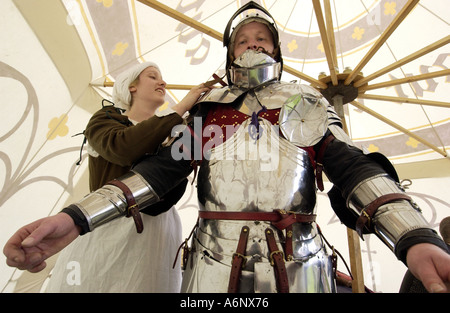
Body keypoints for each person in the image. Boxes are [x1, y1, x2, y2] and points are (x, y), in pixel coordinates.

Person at [4, 2, 450, 293]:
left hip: (302, 264)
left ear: (276, 49)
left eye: (262, 38)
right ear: (229, 52)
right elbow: (162, 171)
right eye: (243, 39)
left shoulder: (305, 102)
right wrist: (75, 218)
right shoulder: (209, 111)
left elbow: (352, 167)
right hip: (213, 265)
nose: (253, 43)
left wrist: (415, 238)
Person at [43, 62, 210, 292]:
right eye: (153, 77)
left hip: (158, 233)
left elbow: (172, 186)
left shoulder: (175, 131)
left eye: (161, 78)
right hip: (107, 222)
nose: (162, 82)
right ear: (131, 87)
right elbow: (124, 149)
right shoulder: (105, 119)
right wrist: (180, 108)